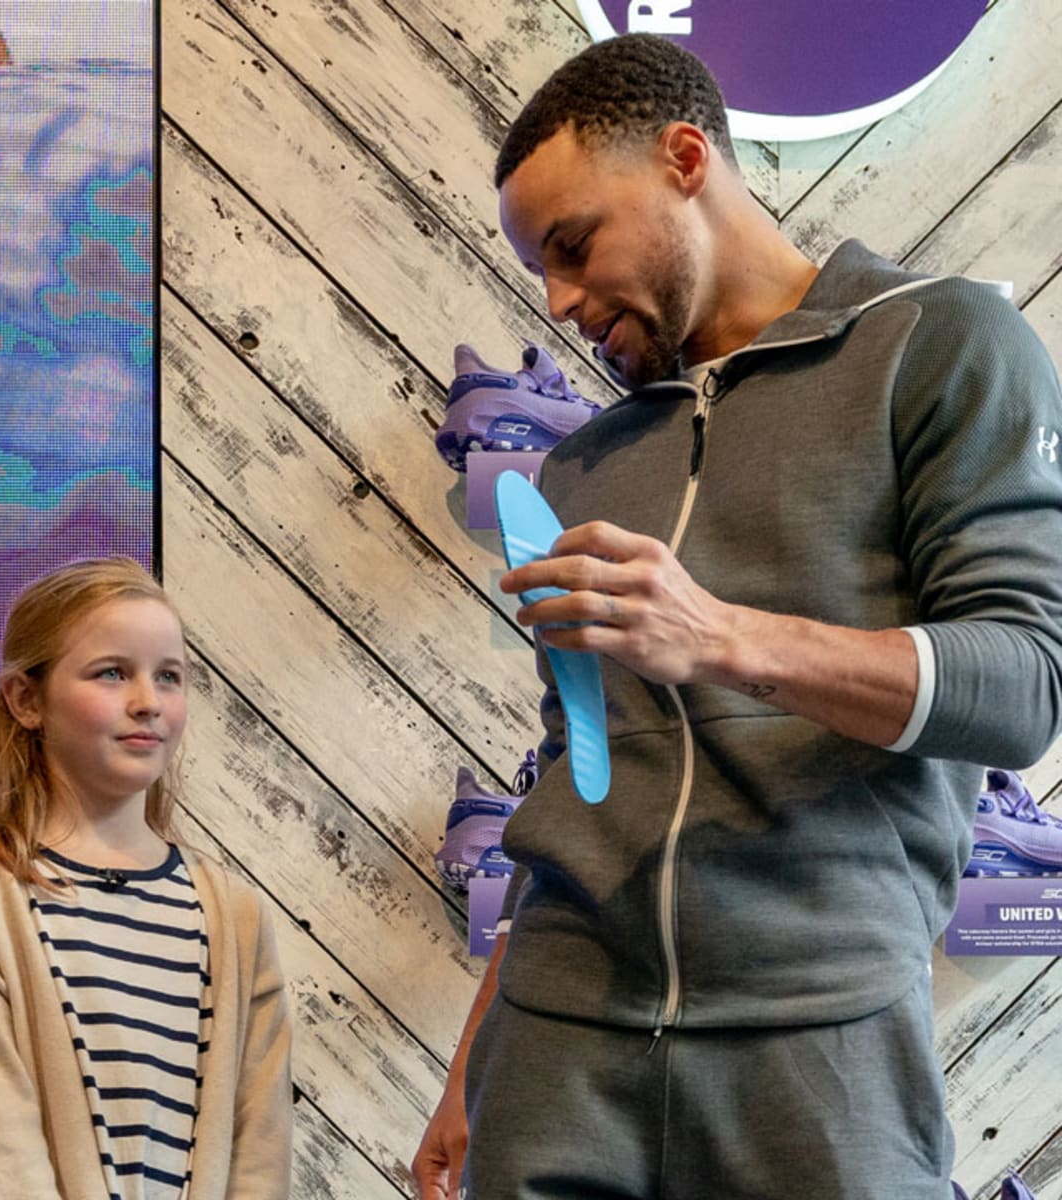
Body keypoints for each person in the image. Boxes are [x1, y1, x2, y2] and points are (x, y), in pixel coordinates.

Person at [412, 33, 1062, 1200]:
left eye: (573, 246)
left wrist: (719, 638)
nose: (559, 300)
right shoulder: (586, 466)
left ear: (683, 159)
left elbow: (1023, 683)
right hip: (557, 1045)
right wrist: (472, 1059)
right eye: (539, 273)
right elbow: (580, 771)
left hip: (818, 1043)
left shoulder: (940, 344)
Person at [0, 558, 293, 1199]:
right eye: (112, 672)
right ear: (27, 700)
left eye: (169, 676)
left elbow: (260, 1155)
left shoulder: (233, 914)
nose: (148, 702)